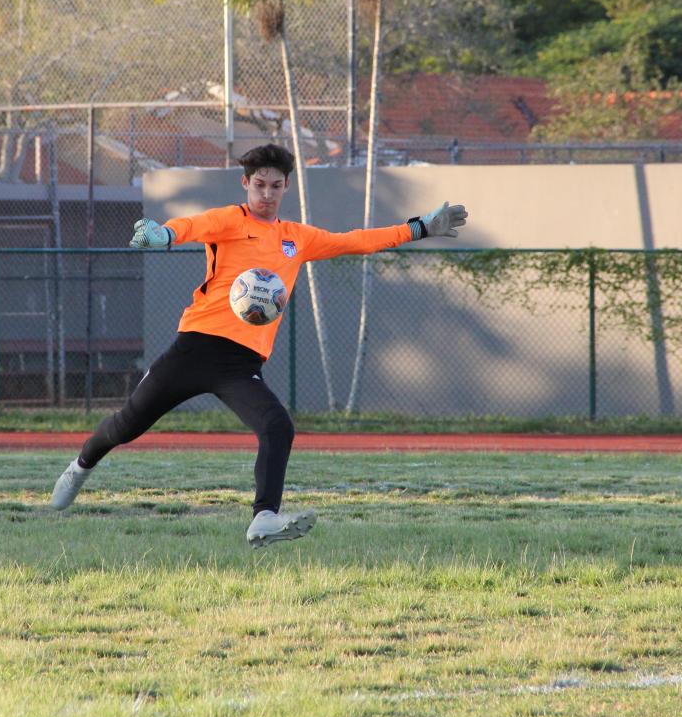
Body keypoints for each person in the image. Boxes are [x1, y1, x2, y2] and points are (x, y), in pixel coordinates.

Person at [49, 143, 469, 547]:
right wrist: (162, 234)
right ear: (246, 185)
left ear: (287, 186)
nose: (266, 193)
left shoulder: (297, 238)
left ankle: (264, 518)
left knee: (277, 426)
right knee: (126, 426)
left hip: (240, 363)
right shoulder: (231, 220)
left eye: (275, 185)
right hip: (194, 348)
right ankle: (80, 466)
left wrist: (420, 227)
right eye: (259, 185)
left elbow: (355, 240)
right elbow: (191, 226)